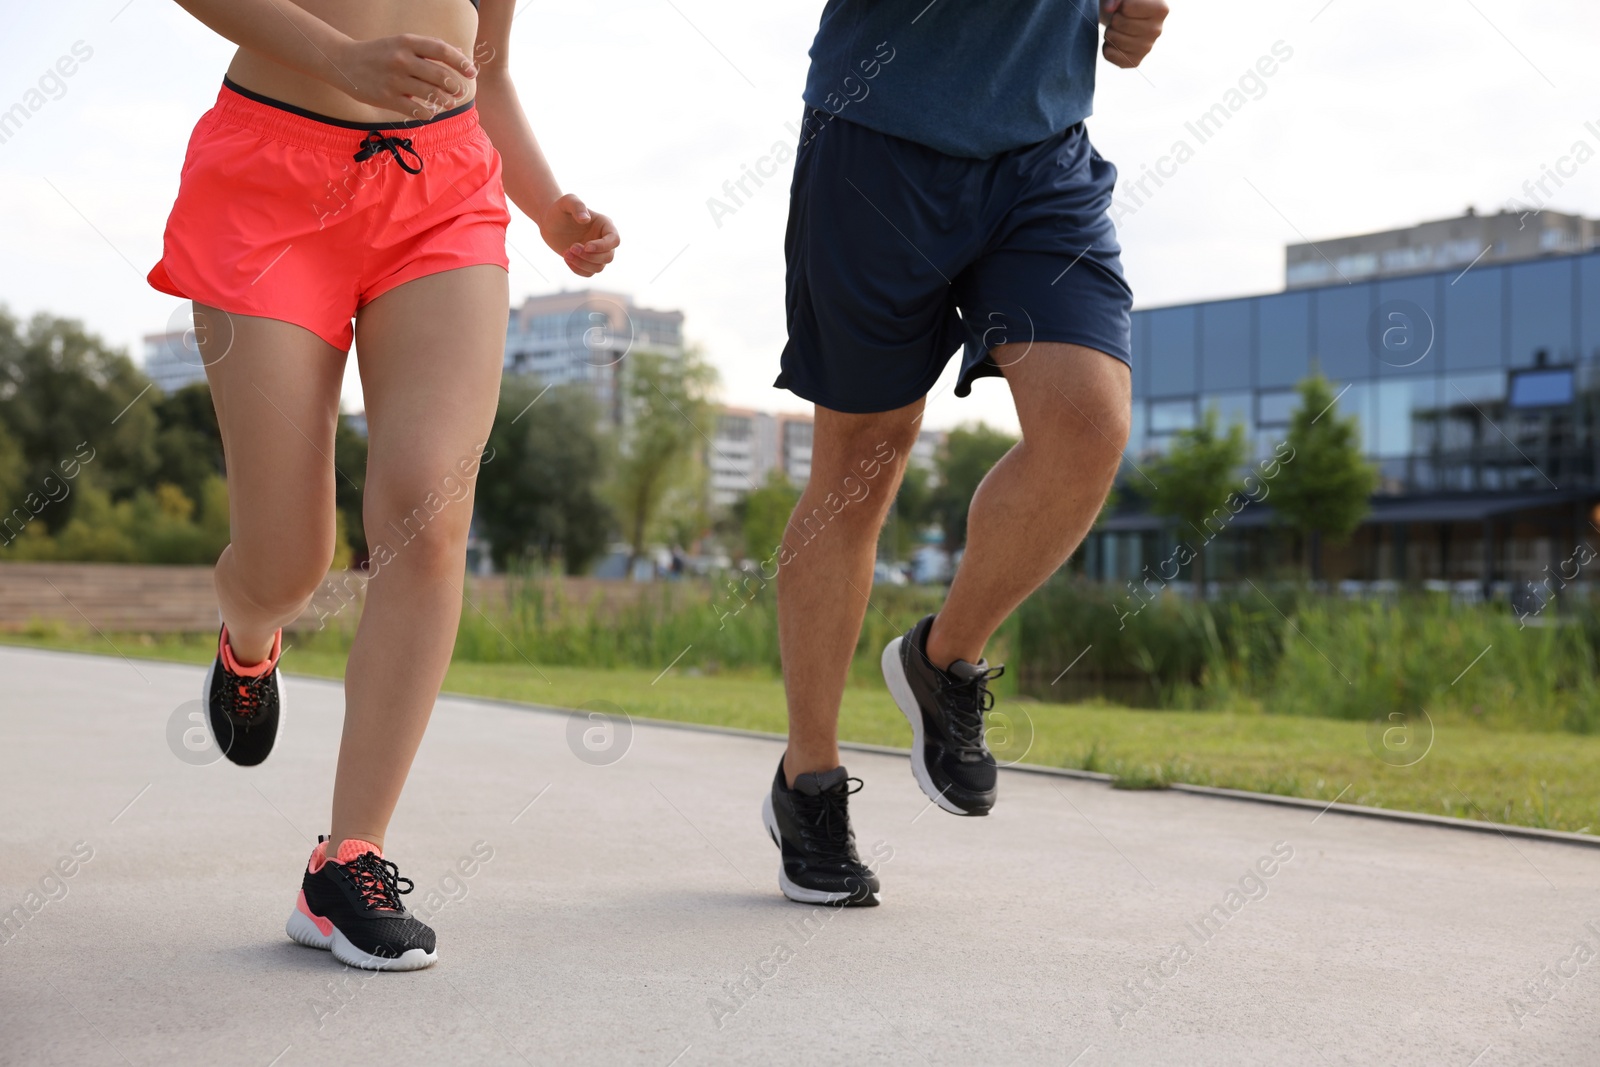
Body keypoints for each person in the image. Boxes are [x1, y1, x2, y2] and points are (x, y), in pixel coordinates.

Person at [152, 0, 618, 968]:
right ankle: (250, 634)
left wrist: (549, 206)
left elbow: (482, 67)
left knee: (427, 511)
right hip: (270, 183)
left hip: (441, 192)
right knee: (290, 557)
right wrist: (338, 59)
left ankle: (346, 859)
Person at [761, 0, 1167, 906]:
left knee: (1089, 426)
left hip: (1042, 153)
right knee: (862, 464)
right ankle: (809, 784)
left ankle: (945, 662)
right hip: (879, 137)